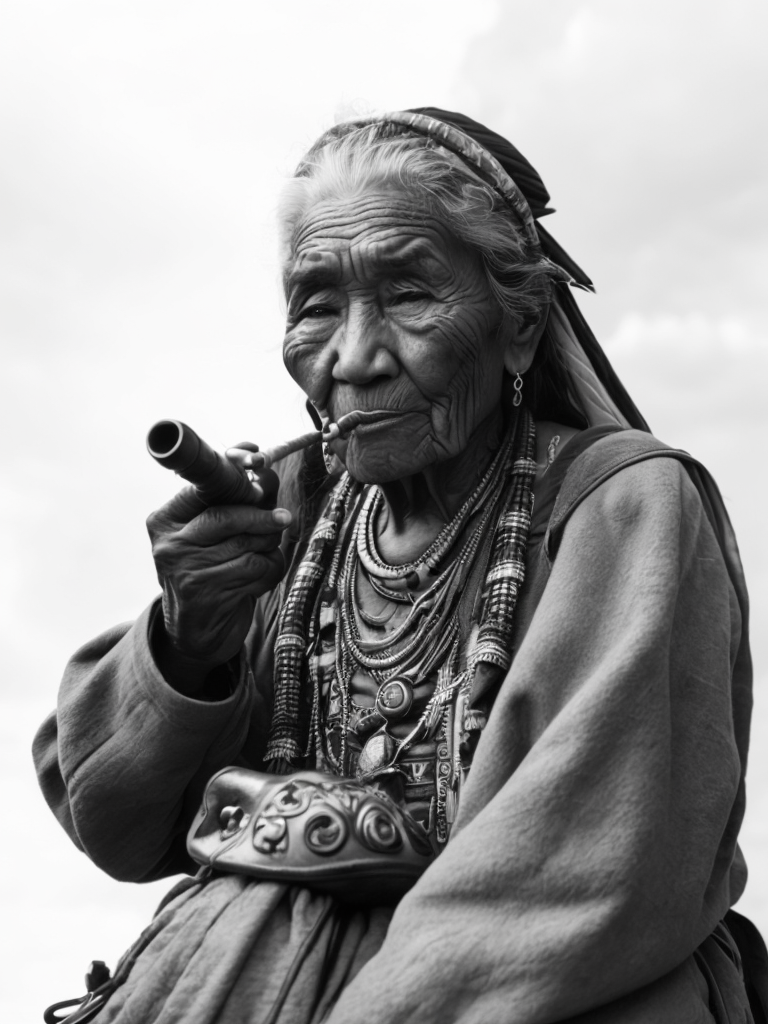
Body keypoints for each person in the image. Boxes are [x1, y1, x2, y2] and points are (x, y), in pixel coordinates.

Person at [33, 109, 764, 1023]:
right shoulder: (292, 510)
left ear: (520, 325)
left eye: (409, 295)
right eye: (317, 306)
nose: (354, 357)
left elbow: (586, 869)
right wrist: (190, 643)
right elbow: (116, 826)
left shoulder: (621, 505)